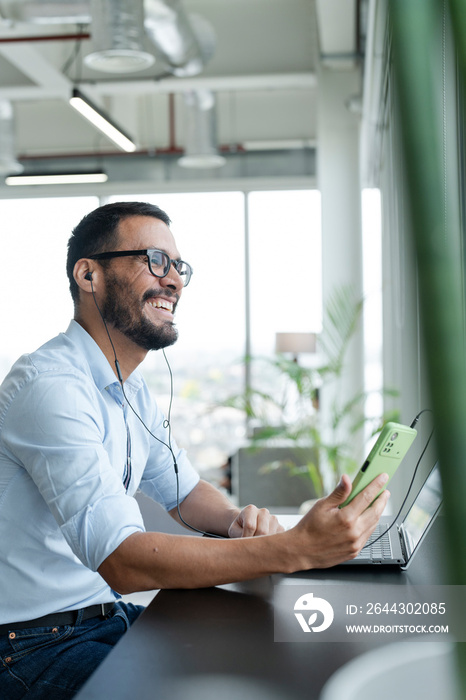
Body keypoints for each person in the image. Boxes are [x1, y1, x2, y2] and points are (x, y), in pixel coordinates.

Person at [0, 201, 390, 698]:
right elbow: (123, 560)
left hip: (100, 617)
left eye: (178, 267)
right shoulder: (51, 386)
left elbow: (183, 491)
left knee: (255, 652)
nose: (175, 280)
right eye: (154, 260)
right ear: (89, 274)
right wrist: (290, 550)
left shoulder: (130, 388)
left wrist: (235, 521)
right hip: (31, 646)